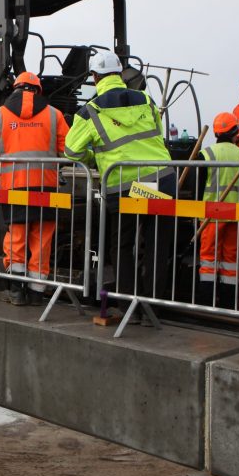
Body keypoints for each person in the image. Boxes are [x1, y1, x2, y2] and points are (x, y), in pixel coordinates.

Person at [64, 51, 175, 303]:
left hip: (126, 186)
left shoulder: (90, 111)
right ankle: (152, 307)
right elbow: (157, 134)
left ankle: (127, 306)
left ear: (95, 77)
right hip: (162, 180)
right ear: (119, 73)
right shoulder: (146, 99)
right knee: (157, 245)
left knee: (123, 245)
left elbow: (71, 151)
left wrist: (95, 159)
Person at [0, 71, 68, 305]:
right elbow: (68, 150)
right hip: (46, 186)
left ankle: (16, 291)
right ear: (38, 90)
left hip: (14, 186)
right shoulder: (54, 115)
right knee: (42, 240)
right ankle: (36, 293)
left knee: (16, 237)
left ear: (15, 88)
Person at [195, 112, 239, 307]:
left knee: (208, 259)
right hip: (237, 215)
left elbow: (199, 188)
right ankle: (228, 303)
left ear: (216, 133)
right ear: (235, 132)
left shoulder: (206, 154)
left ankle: (206, 302)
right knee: (231, 261)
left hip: (211, 216)